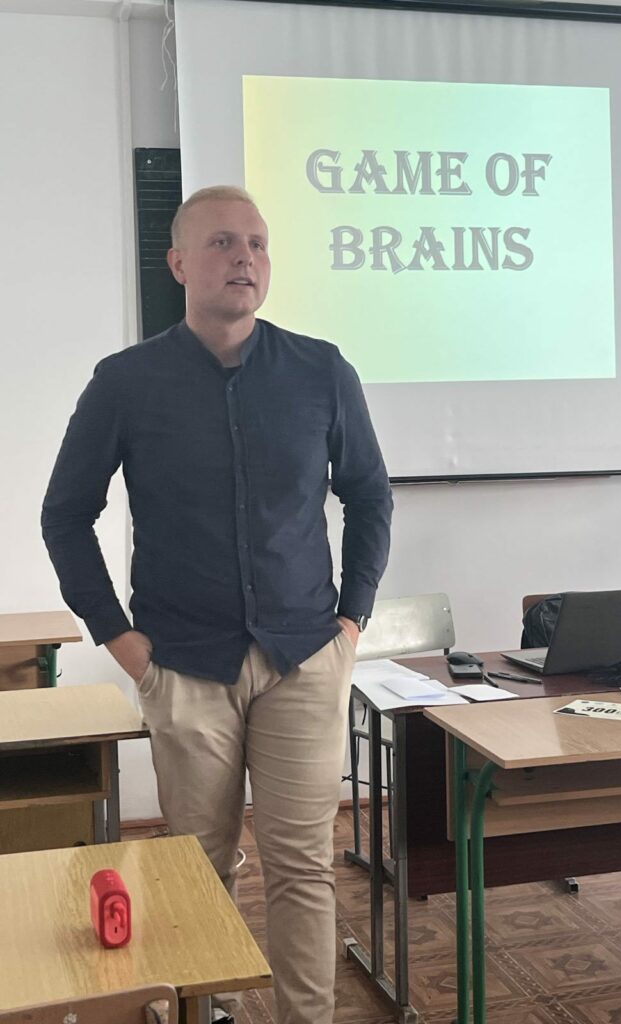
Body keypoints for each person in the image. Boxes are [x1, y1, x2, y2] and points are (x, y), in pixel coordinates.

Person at [42, 185, 393, 1024]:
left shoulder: (321, 371)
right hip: (184, 663)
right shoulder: (126, 382)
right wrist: (121, 641)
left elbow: (370, 496)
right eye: (224, 242)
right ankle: (212, 1010)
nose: (246, 258)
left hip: (304, 657)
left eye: (258, 244)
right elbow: (65, 515)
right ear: (178, 263)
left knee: (302, 867)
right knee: (197, 866)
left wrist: (352, 621)